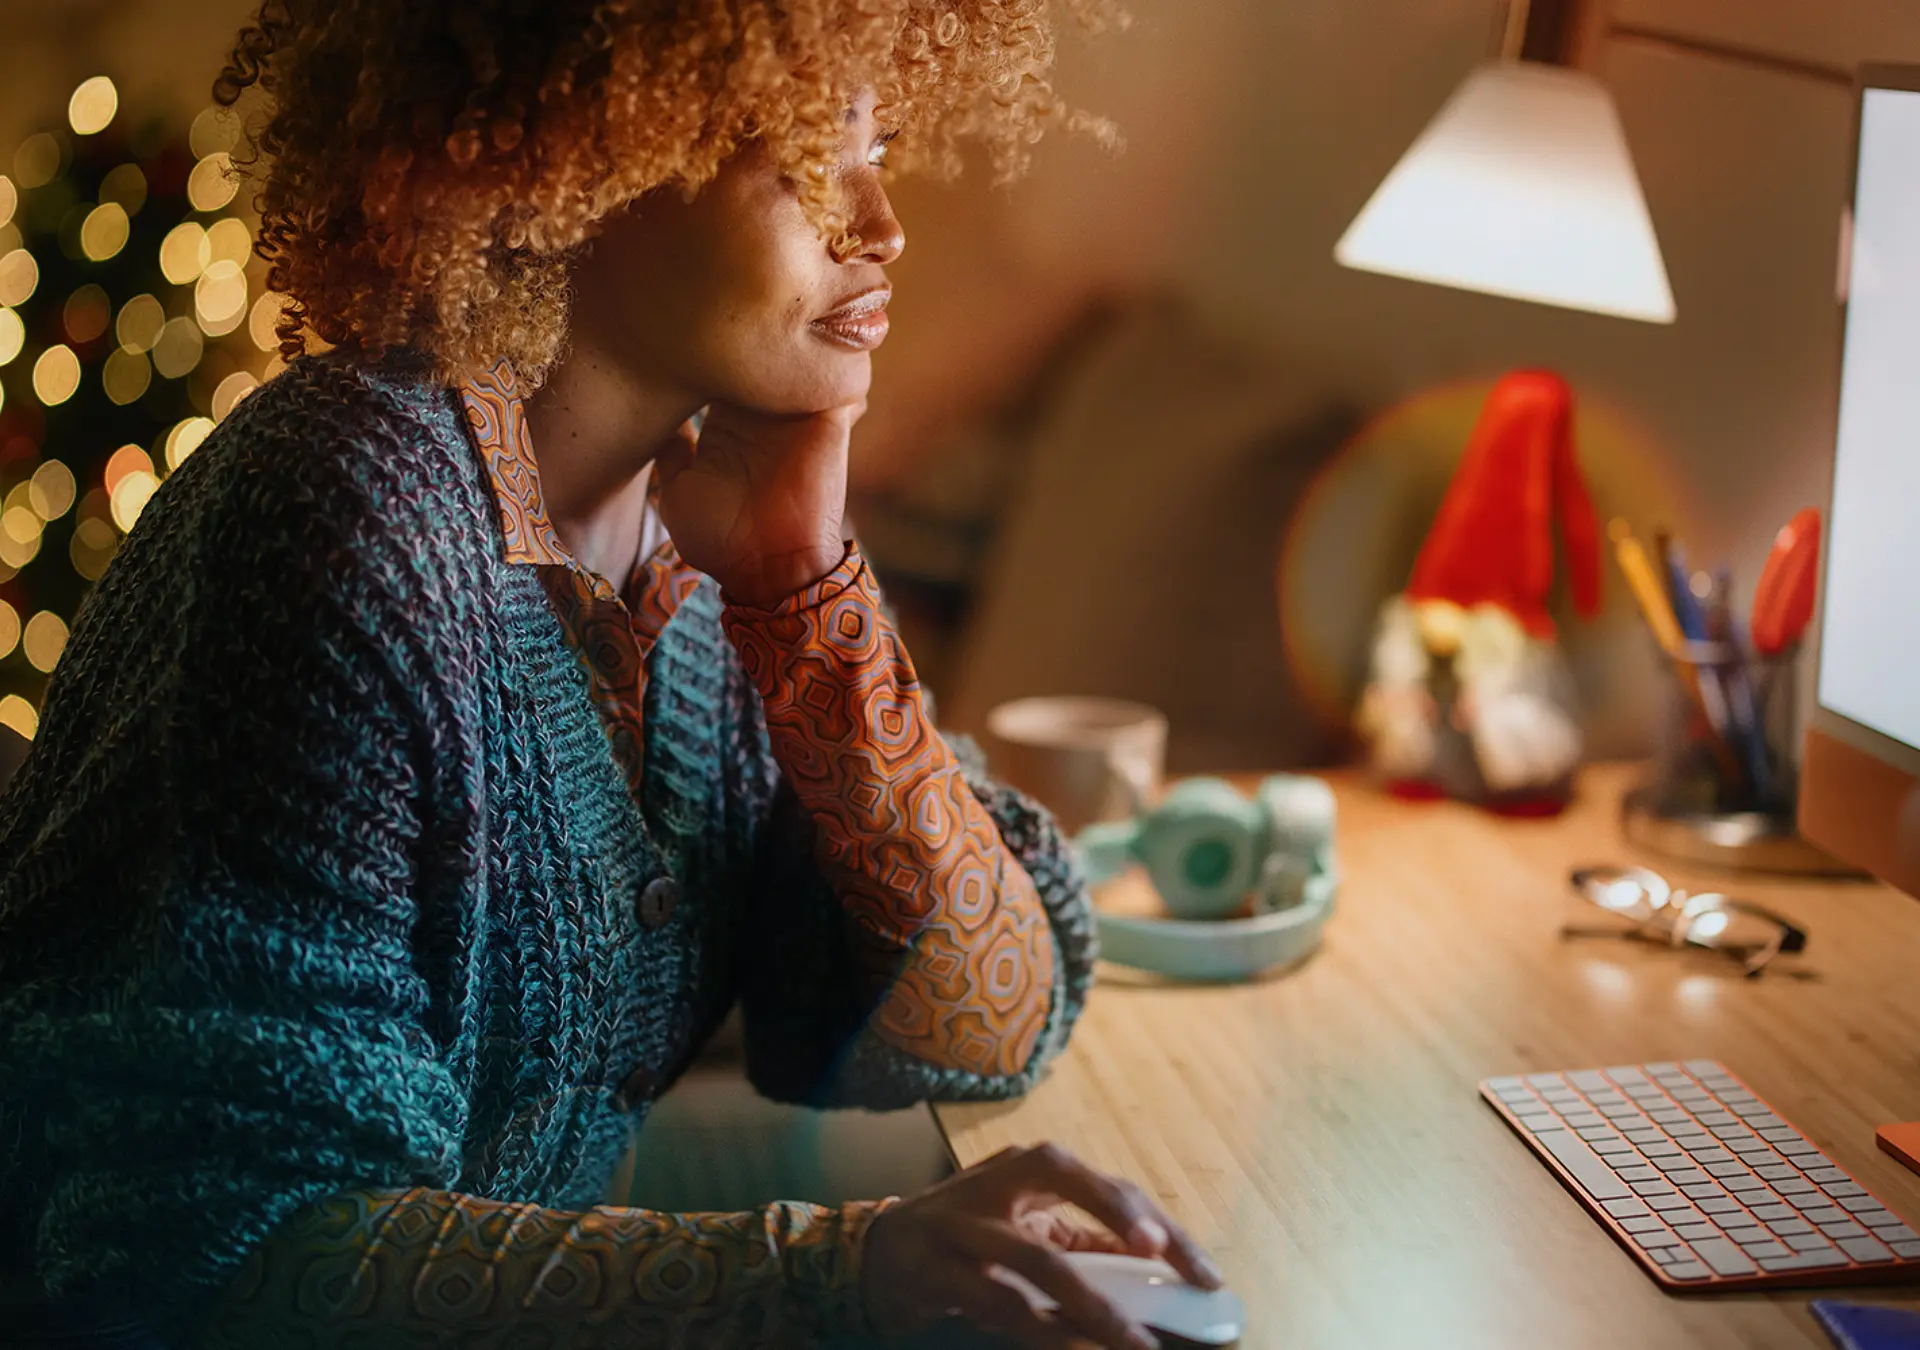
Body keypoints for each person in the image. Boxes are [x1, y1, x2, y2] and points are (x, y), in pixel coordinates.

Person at [0, 1, 1221, 1346]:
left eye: (878, 150)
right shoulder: (354, 513)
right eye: (809, 157)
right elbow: (224, 1256)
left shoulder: (691, 549)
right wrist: (835, 1275)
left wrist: (807, 599)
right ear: (576, 157)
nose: (882, 226)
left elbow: (985, 1020)